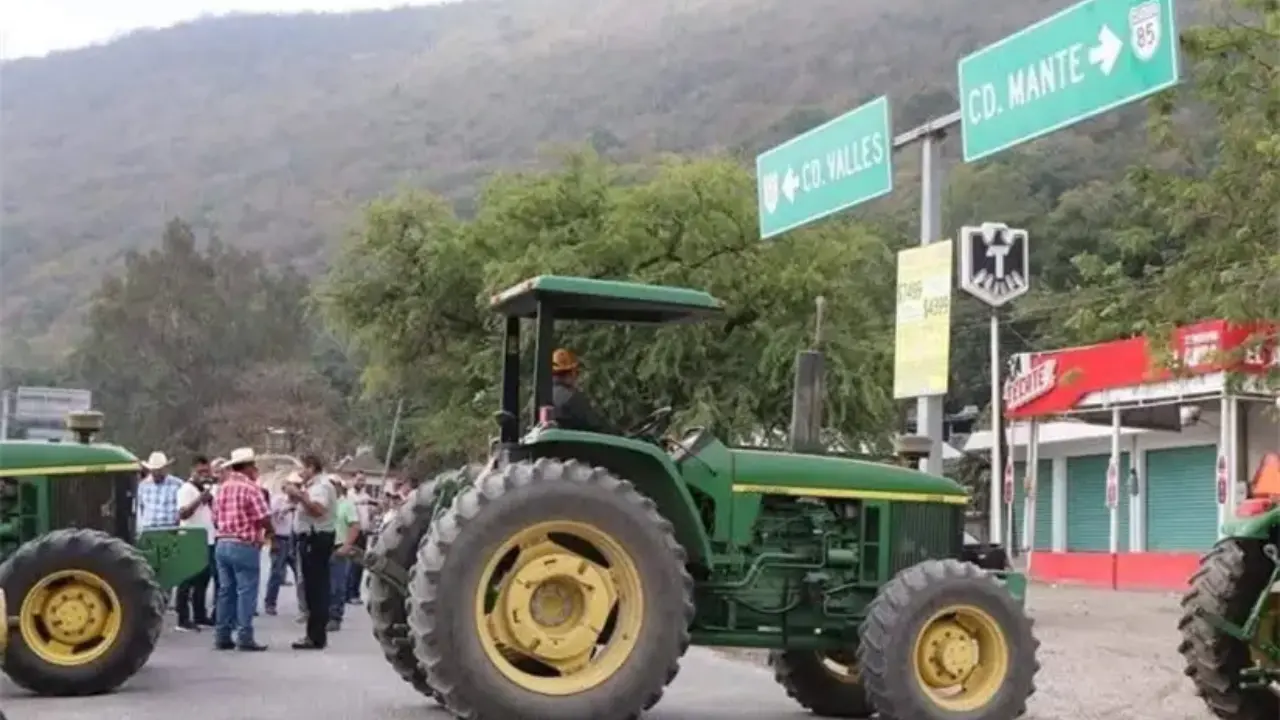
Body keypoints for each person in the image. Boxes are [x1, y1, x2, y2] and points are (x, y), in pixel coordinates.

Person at [210, 447, 271, 651]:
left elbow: (215, 518)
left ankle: (222, 635)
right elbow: (263, 516)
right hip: (243, 544)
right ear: (247, 467)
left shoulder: (222, 488)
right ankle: (245, 636)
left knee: (225, 591)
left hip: (222, 543)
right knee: (246, 590)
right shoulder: (251, 489)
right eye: (253, 465)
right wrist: (270, 533)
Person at [288, 454, 337, 650]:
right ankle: (314, 633)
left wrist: (300, 496)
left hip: (315, 538)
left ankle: (315, 636)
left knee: (316, 589)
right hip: (310, 538)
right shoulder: (312, 486)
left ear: (311, 467)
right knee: (312, 588)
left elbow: (318, 510)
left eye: (302, 468)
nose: (300, 473)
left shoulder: (321, 486)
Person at [174, 455, 217, 631]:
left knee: (203, 579)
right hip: (190, 538)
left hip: (207, 538)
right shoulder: (186, 489)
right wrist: (200, 499)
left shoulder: (207, 489)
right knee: (187, 579)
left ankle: (200, 615)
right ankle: (182, 618)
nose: (204, 474)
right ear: (192, 471)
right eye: (200, 471)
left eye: (206, 471)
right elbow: (183, 514)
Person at [550, 348, 618, 434]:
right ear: (572, 372)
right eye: (576, 372)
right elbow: (596, 426)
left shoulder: (540, 396)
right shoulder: (572, 398)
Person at [263, 480, 299, 617]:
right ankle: (270, 603)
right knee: (276, 573)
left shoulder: (300, 501)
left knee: (300, 574)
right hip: (280, 538)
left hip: (295, 539)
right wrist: (286, 509)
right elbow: (272, 518)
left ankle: (305, 605)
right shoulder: (278, 500)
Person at [327, 481, 361, 631]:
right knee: (323, 585)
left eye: (334, 485)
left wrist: (347, 545)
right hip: (323, 547)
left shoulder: (346, 505)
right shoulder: (326, 504)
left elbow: (355, 525)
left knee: (337, 585)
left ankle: (335, 616)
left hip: (338, 547)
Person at [345, 472, 375, 604]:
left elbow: (369, 513)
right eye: (358, 480)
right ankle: (348, 593)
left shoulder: (366, 496)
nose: (361, 482)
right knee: (350, 564)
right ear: (353, 480)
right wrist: (363, 502)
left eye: (363, 480)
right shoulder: (349, 495)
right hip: (352, 531)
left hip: (363, 533)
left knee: (359, 564)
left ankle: (354, 593)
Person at [136, 451, 184, 531]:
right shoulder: (143, 486)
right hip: (148, 529)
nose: (157, 473)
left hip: (170, 529)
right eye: (154, 470)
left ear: (165, 469)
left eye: (159, 470)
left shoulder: (178, 484)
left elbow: (181, 509)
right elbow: (140, 509)